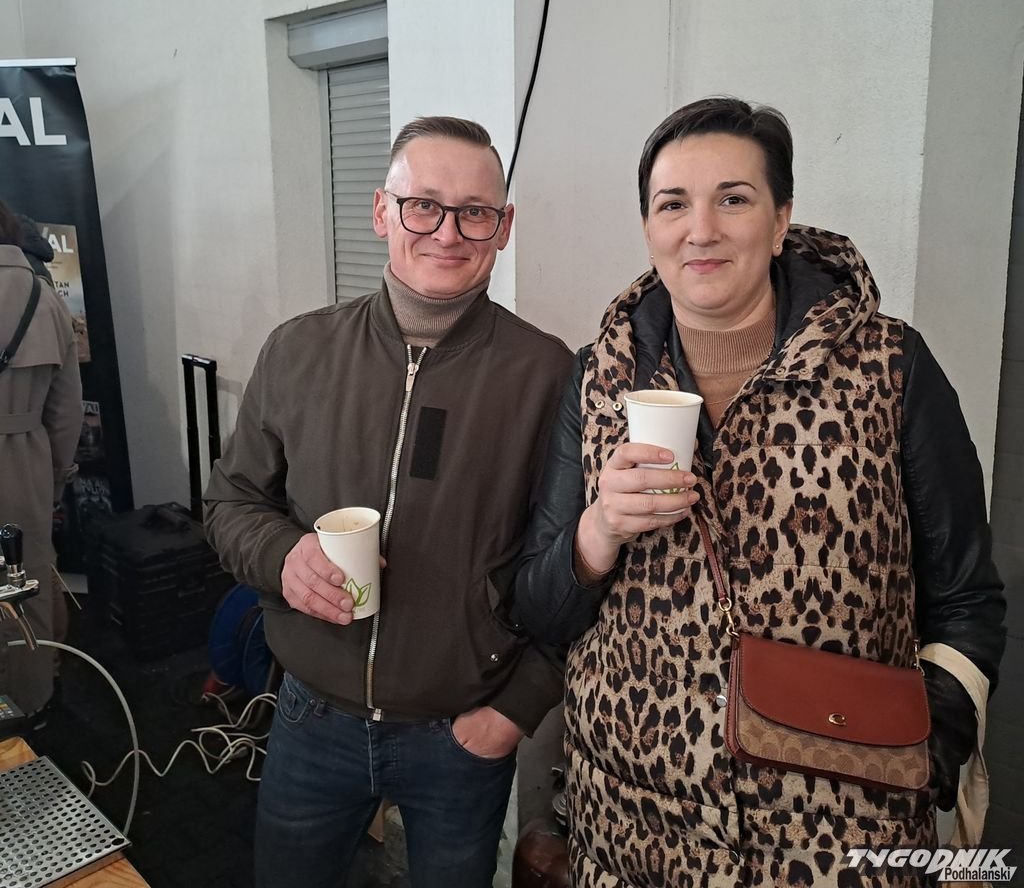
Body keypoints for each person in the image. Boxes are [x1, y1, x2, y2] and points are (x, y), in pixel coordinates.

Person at [514, 98, 1006, 887]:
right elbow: (540, 608)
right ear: (648, 227)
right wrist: (597, 532)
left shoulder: (888, 367)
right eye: (673, 204)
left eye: (733, 199)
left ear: (780, 222)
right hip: (637, 830)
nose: (701, 229)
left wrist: (922, 759)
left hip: (837, 831)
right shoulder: (598, 378)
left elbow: (966, 597)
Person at [205, 116, 573, 888]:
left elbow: (570, 566)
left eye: (475, 211)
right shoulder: (298, 350)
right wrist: (283, 556)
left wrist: (515, 711)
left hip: (463, 736)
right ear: (382, 211)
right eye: (423, 205)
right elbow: (231, 502)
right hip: (311, 718)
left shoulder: (546, 376)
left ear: (504, 226)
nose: (448, 232)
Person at [0, 198, 82, 719]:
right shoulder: (44, 297)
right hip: (23, 462)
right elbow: (67, 411)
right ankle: (28, 710)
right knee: (23, 587)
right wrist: (53, 482)